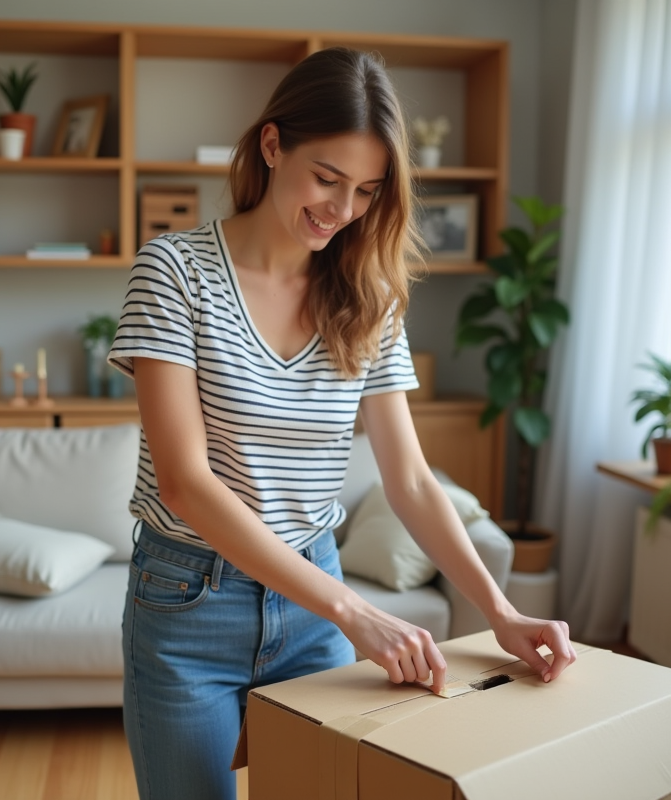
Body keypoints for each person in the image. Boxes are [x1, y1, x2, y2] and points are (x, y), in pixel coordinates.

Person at [106, 47, 576, 800]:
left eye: (365, 190)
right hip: (190, 602)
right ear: (272, 145)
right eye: (327, 177)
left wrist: (501, 613)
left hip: (312, 599)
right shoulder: (174, 271)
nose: (342, 209)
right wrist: (356, 612)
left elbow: (412, 478)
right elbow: (187, 484)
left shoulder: (371, 294)